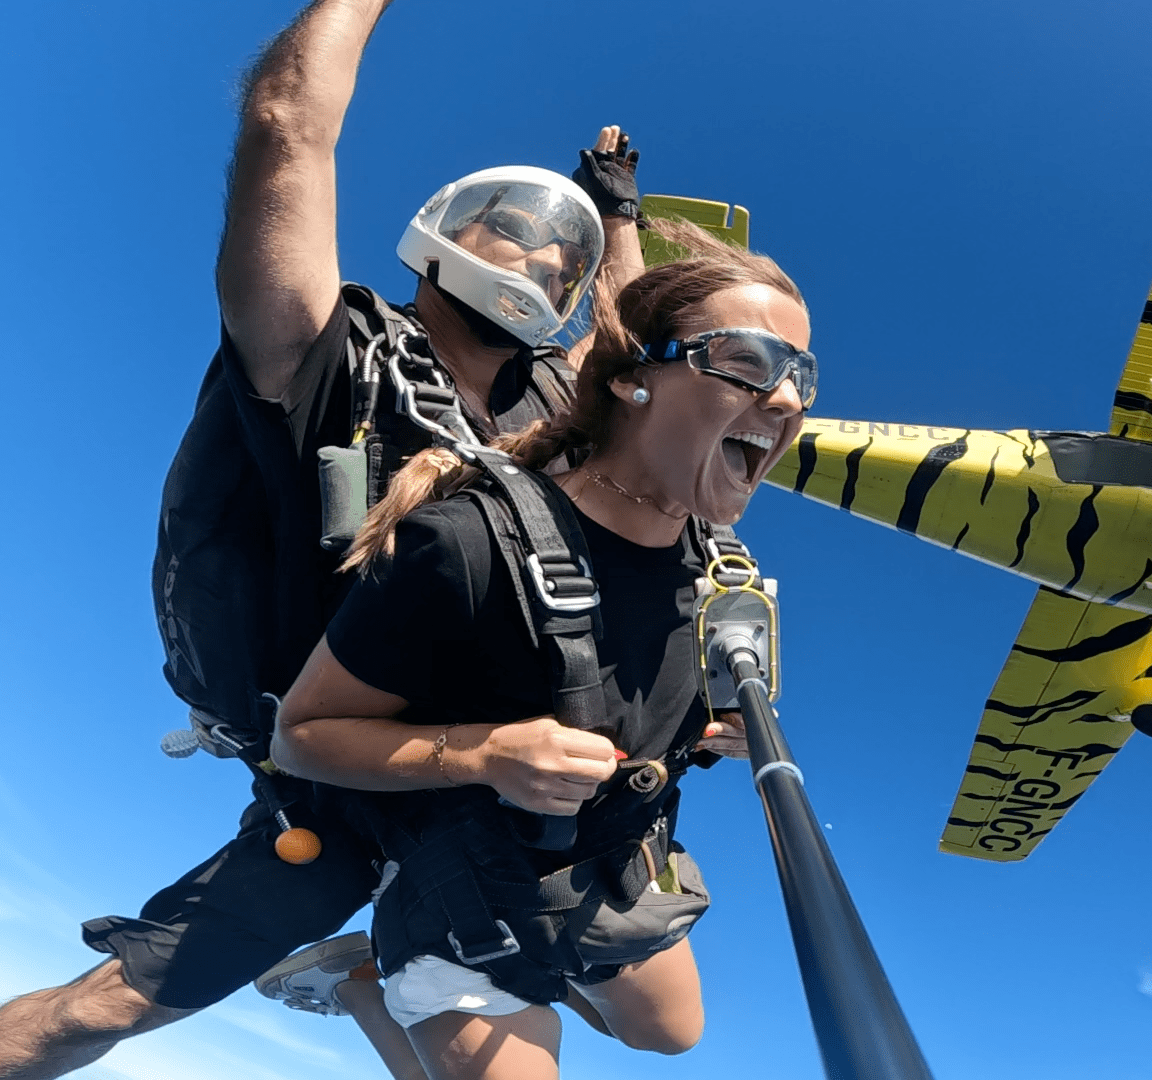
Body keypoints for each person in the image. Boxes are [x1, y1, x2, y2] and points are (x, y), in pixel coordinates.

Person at [0, 0, 650, 1075]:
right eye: (515, 231)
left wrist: (618, 215)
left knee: (583, 1030)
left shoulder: (547, 424)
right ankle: (362, 968)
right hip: (333, 782)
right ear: (446, 231)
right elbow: (284, 122)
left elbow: (625, 358)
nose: (542, 256)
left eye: (561, 255)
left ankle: (362, 975)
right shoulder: (322, 357)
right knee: (114, 1006)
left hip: (491, 782)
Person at [270, 220, 815, 1078]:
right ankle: (380, 984)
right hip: (466, 875)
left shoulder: (715, 566)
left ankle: (454, 985)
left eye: (800, 378)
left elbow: (635, 692)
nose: (784, 401)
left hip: (603, 865)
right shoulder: (465, 546)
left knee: (671, 1033)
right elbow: (299, 735)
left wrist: (707, 734)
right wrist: (484, 753)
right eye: (747, 365)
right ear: (636, 379)